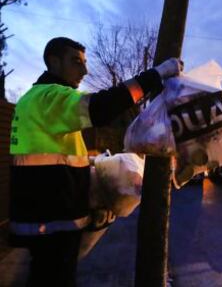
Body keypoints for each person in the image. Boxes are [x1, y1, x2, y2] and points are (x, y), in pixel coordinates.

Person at [8, 37, 182, 286]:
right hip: (52, 219)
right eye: (75, 62)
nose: (84, 70)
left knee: (44, 276)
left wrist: (91, 166)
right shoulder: (50, 97)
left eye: (85, 63)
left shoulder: (30, 99)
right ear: (53, 62)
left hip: (39, 214)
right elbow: (100, 107)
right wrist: (156, 74)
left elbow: (50, 151)